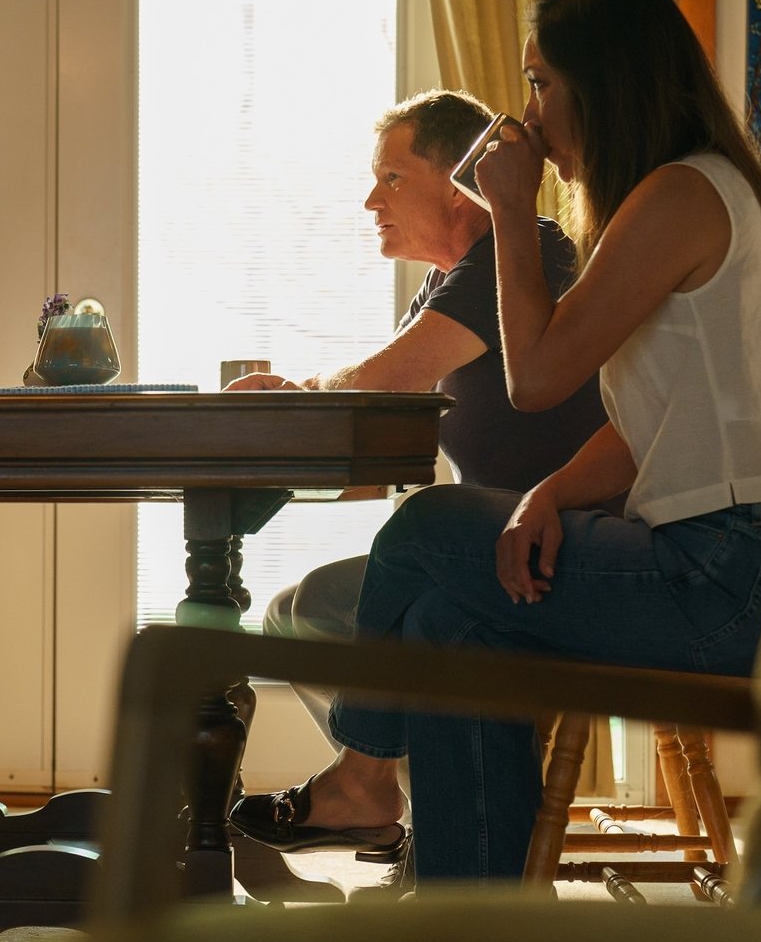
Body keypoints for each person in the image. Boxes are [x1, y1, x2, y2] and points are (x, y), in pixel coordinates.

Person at [281, 0, 761, 885]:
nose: (531, 115)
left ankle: (364, 773)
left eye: (541, 83)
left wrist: (511, 209)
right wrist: (546, 494)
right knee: (444, 622)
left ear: (605, 82)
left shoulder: (679, 197)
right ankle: (474, 928)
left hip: (735, 573)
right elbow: (647, 423)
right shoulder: (707, 193)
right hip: (751, 564)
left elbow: (538, 380)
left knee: (423, 527)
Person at [224, 90, 610, 887]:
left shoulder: (520, 254)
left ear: (461, 181)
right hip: (494, 545)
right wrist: (305, 403)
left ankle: (373, 792)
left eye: (392, 178)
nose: (372, 200)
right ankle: (406, 802)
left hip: (559, 551)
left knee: (332, 607)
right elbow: (382, 420)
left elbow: (383, 381)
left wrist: (302, 394)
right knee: (298, 610)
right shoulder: (452, 282)